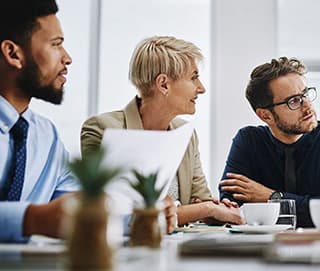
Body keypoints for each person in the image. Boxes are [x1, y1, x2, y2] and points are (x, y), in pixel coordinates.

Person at [81, 36, 243, 226]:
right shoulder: (103, 129)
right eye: (193, 77)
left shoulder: (186, 133)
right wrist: (205, 209)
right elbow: (118, 214)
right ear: (164, 84)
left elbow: (200, 199)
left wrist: (214, 210)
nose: (201, 88)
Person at [219, 57, 320, 227]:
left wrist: (272, 198)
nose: (307, 106)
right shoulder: (248, 140)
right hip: (262, 248)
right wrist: (313, 208)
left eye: (305, 94)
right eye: (294, 101)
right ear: (265, 115)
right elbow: (232, 208)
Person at [0, 0, 79, 242]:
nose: (67, 59)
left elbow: (75, 206)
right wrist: (31, 219)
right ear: (13, 54)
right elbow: (43, 217)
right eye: (56, 45)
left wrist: (141, 216)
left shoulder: (46, 136)